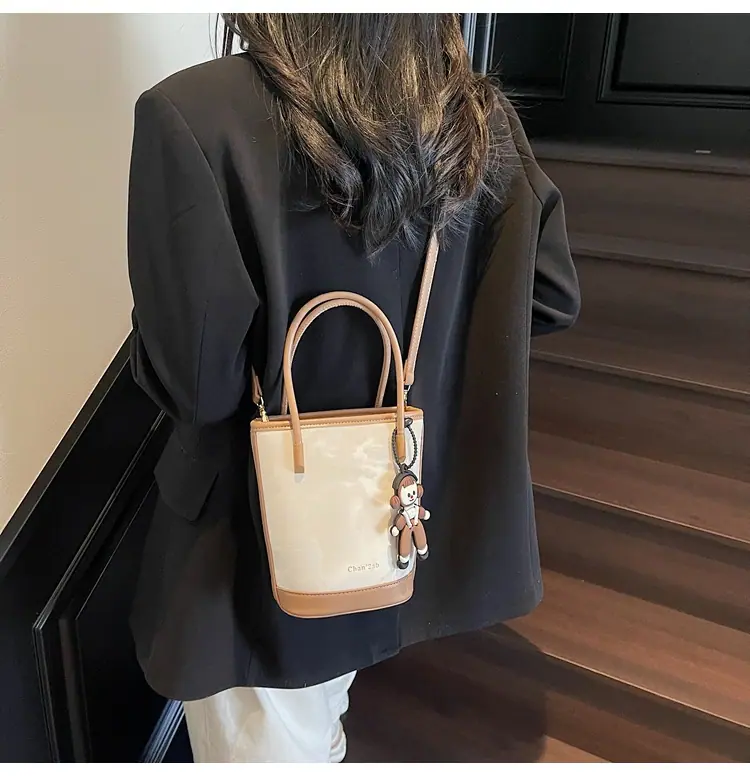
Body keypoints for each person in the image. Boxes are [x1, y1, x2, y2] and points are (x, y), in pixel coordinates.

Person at [126, 13, 580, 763]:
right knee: (319, 719)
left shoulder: (191, 114)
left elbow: (198, 388)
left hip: (254, 553)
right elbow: (552, 297)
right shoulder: (474, 116)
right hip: (395, 512)